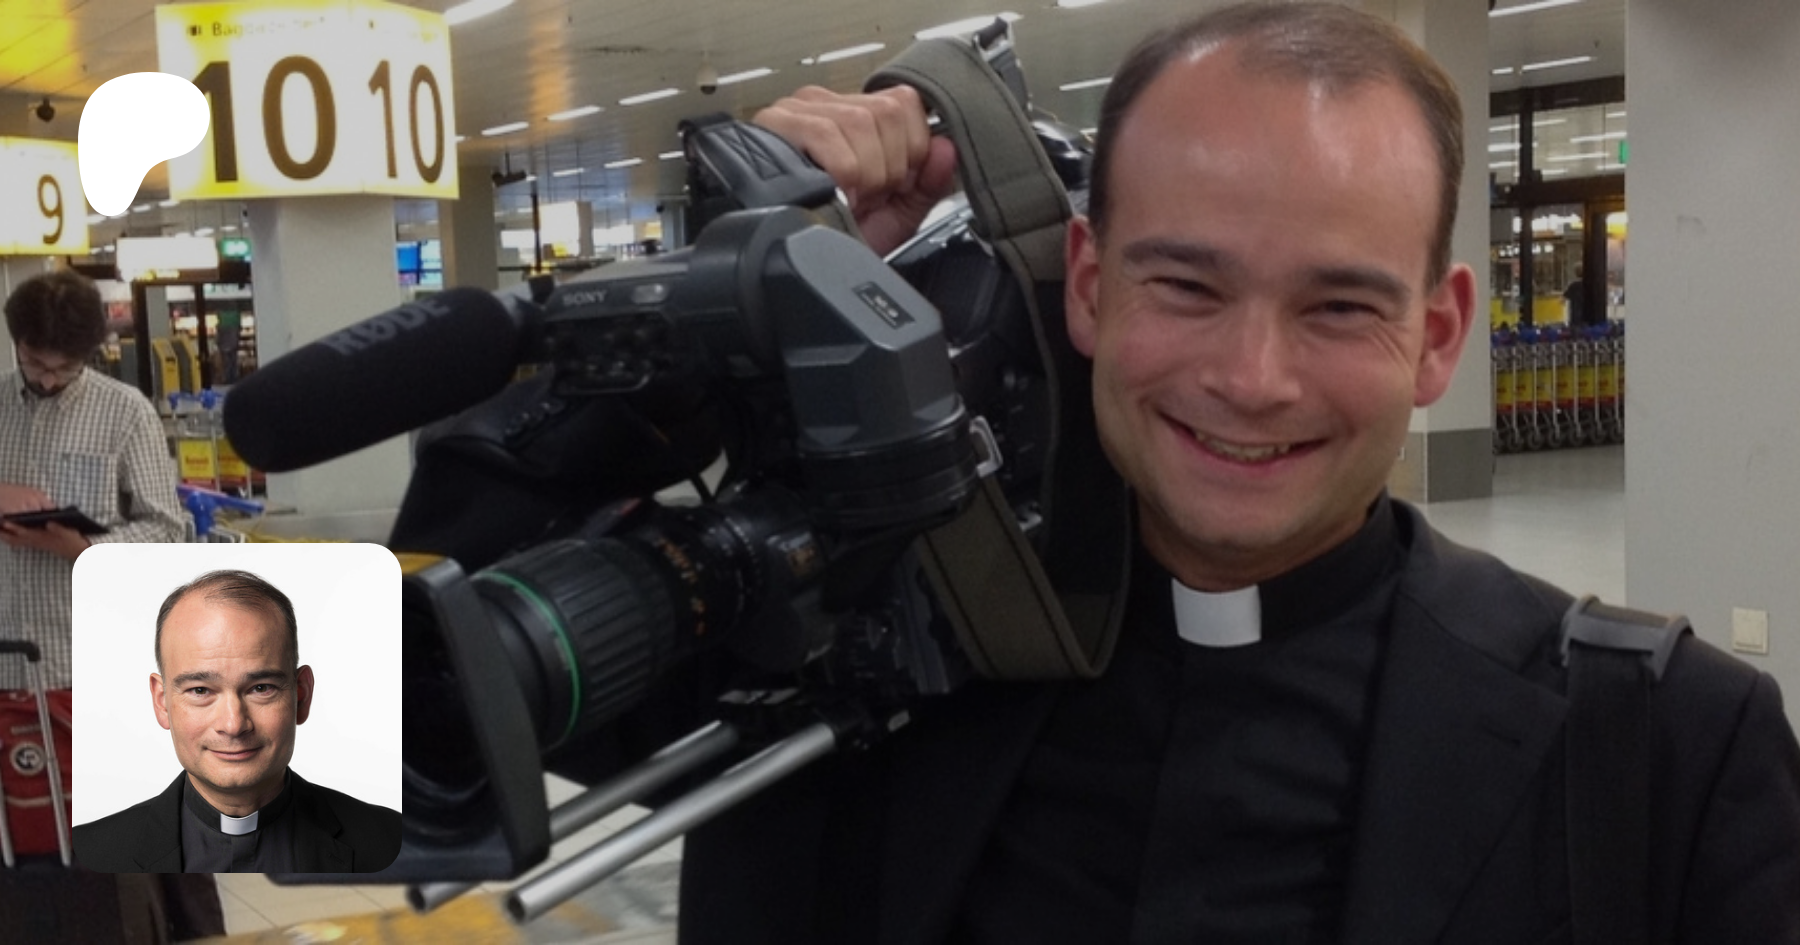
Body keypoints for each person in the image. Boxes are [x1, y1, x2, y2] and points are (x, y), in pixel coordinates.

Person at [644, 4, 1799, 943]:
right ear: (1088, 286)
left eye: (1338, 306)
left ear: (1440, 337)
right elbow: (535, 642)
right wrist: (725, 316)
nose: (1252, 380)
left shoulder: (1664, 754)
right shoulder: (859, 663)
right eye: (1188, 288)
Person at [73, 569, 400, 873]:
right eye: (201, 690)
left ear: (301, 696)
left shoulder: (392, 842)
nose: (233, 725)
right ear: (162, 702)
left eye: (261, 688)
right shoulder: (88, 855)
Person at [0, 269, 183, 691]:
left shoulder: (126, 414)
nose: (48, 379)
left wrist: (84, 550)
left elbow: (167, 529)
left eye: (65, 368)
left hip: (85, 661)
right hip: (6, 658)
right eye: (34, 363)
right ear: (17, 343)